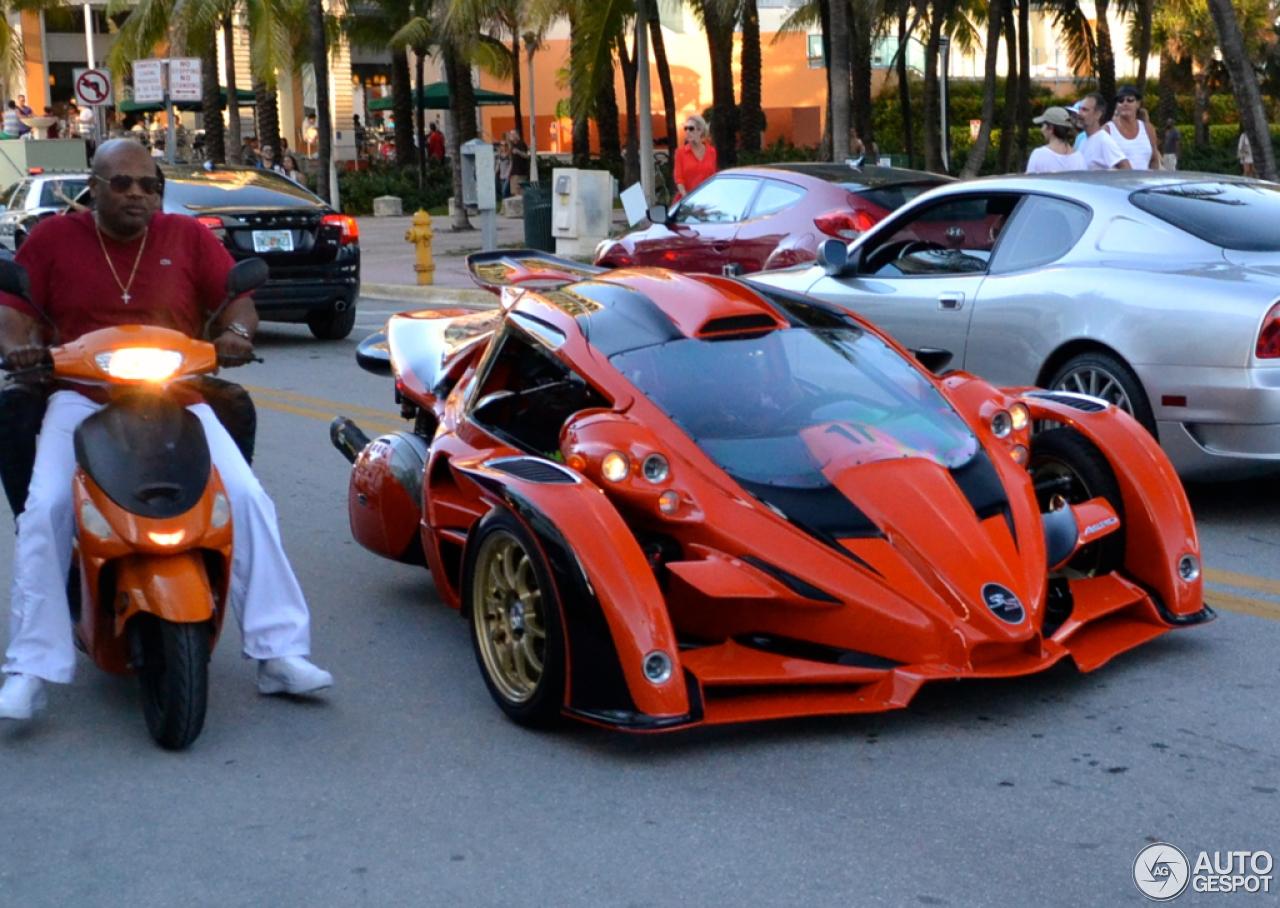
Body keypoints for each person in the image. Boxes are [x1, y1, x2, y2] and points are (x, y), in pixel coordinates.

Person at [0, 140, 333, 720]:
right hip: (82, 398)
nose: (137, 194)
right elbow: (13, 317)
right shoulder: (54, 238)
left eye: (149, 185)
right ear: (94, 187)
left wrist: (238, 336)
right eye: (122, 183)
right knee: (47, 507)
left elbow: (238, 302)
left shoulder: (186, 236)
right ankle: (31, 666)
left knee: (247, 498)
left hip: (177, 394)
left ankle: (280, 652)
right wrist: (21, 351)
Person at [1101, 85, 1160, 170]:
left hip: (1145, 181)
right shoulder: (1107, 130)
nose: (1125, 103)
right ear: (1116, 106)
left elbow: (1154, 159)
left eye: (1130, 100)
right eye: (1121, 101)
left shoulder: (1148, 129)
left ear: (1138, 103)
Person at [1076, 93, 1131, 171]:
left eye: (1085, 110)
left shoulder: (1103, 140)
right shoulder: (1083, 142)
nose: (1079, 113)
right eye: (1079, 109)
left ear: (1097, 115)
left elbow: (1126, 168)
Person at [1026, 107, 1085, 173]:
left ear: (1051, 128)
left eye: (1043, 125)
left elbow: (1030, 181)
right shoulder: (1079, 157)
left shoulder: (1039, 154)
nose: (1042, 129)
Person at [674, 114, 717, 200]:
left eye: (691, 128)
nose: (687, 132)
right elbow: (679, 179)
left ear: (700, 131)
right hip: (686, 199)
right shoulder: (680, 153)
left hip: (706, 200)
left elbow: (713, 177)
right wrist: (687, 197)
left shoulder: (711, 151)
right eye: (686, 128)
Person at [507, 129, 530, 196]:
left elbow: (526, 156)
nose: (512, 136)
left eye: (513, 134)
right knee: (513, 191)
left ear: (517, 135)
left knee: (519, 190)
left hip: (520, 171)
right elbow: (512, 160)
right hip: (513, 172)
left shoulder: (522, 144)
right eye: (511, 134)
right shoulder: (512, 146)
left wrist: (518, 152)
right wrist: (509, 172)